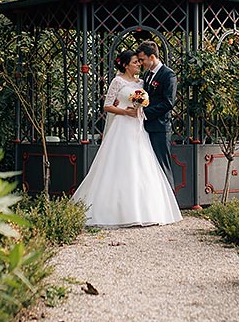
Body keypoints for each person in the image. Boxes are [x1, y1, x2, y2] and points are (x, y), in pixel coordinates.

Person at [72, 50, 182, 227]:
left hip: (139, 128)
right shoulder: (118, 81)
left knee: (142, 166)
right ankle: (114, 209)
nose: (138, 64)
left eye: (140, 62)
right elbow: (107, 105)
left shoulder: (142, 81)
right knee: (119, 165)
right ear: (125, 65)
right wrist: (124, 111)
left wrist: (140, 110)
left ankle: (146, 210)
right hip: (122, 125)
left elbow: (152, 101)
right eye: (135, 62)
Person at [136, 40, 177, 189]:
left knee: (162, 165)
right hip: (146, 127)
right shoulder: (147, 75)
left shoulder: (168, 75)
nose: (141, 63)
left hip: (160, 127)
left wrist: (145, 113)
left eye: (142, 59)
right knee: (150, 168)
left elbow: (168, 102)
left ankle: (170, 203)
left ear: (152, 57)